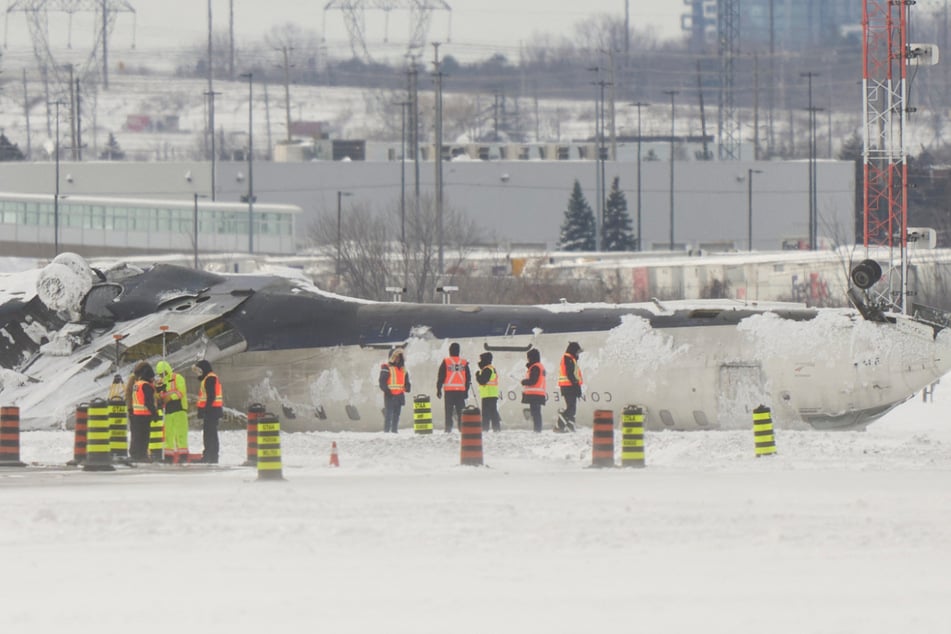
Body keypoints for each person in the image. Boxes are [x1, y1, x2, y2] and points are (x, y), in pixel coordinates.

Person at [156, 360, 189, 464]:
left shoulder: (177, 378)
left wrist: (170, 398)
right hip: (168, 411)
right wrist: (159, 395)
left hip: (179, 409)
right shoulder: (161, 382)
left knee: (181, 433)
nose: (162, 375)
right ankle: (168, 456)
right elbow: (159, 396)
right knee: (168, 434)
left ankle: (183, 456)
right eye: (160, 374)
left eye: (163, 373)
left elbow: (181, 391)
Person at [435, 342, 471, 433]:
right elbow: (468, 378)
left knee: (448, 412)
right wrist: (466, 391)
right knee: (461, 412)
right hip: (460, 392)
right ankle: (462, 429)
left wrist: (438, 389)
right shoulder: (463, 362)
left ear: (450, 351)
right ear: (459, 351)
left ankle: (448, 428)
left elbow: (441, 377)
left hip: (449, 392)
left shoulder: (446, 362)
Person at [129, 363, 159, 462]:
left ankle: (135, 454)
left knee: (136, 436)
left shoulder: (137, 384)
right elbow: (148, 401)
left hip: (136, 414)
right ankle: (142, 456)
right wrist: (155, 413)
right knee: (144, 437)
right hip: (144, 415)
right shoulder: (146, 386)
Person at [194, 360, 223, 464]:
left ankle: (210, 456)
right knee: (210, 434)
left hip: (211, 411)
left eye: (199, 370)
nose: (198, 373)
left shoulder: (210, 378)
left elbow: (211, 396)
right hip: (212, 410)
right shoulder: (208, 378)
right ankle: (211, 456)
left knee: (210, 434)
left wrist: (205, 409)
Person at [379, 347, 411, 433]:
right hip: (390, 395)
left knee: (396, 415)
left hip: (399, 395)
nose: (397, 359)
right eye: (396, 356)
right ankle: (387, 432)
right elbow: (382, 381)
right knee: (388, 416)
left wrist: (408, 387)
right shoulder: (386, 367)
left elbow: (407, 382)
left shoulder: (403, 369)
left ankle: (394, 431)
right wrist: (387, 391)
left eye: (399, 357)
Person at [557, 341, 584, 432]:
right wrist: (576, 386)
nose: (578, 354)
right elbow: (570, 374)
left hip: (569, 386)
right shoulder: (568, 358)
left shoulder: (571, 358)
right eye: (577, 352)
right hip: (568, 387)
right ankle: (559, 425)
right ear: (573, 350)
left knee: (572, 407)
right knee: (571, 407)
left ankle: (570, 426)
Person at [521, 348, 547, 433]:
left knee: (535, 413)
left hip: (535, 394)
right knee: (536, 413)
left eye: (528, 357)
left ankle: (537, 429)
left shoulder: (535, 367)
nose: (528, 359)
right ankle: (537, 429)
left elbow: (533, 380)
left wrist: (524, 381)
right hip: (538, 393)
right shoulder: (539, 366)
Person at [476, 351, 502, 432]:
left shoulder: (487, 369)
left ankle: (486, 429)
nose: (480, 362)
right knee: (492, 412)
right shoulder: (490, 369)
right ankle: (496, 428)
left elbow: (482, 381)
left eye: (481, 360)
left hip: (488, 394)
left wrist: (477, 375)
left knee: (487, 414)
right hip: (491, 394)